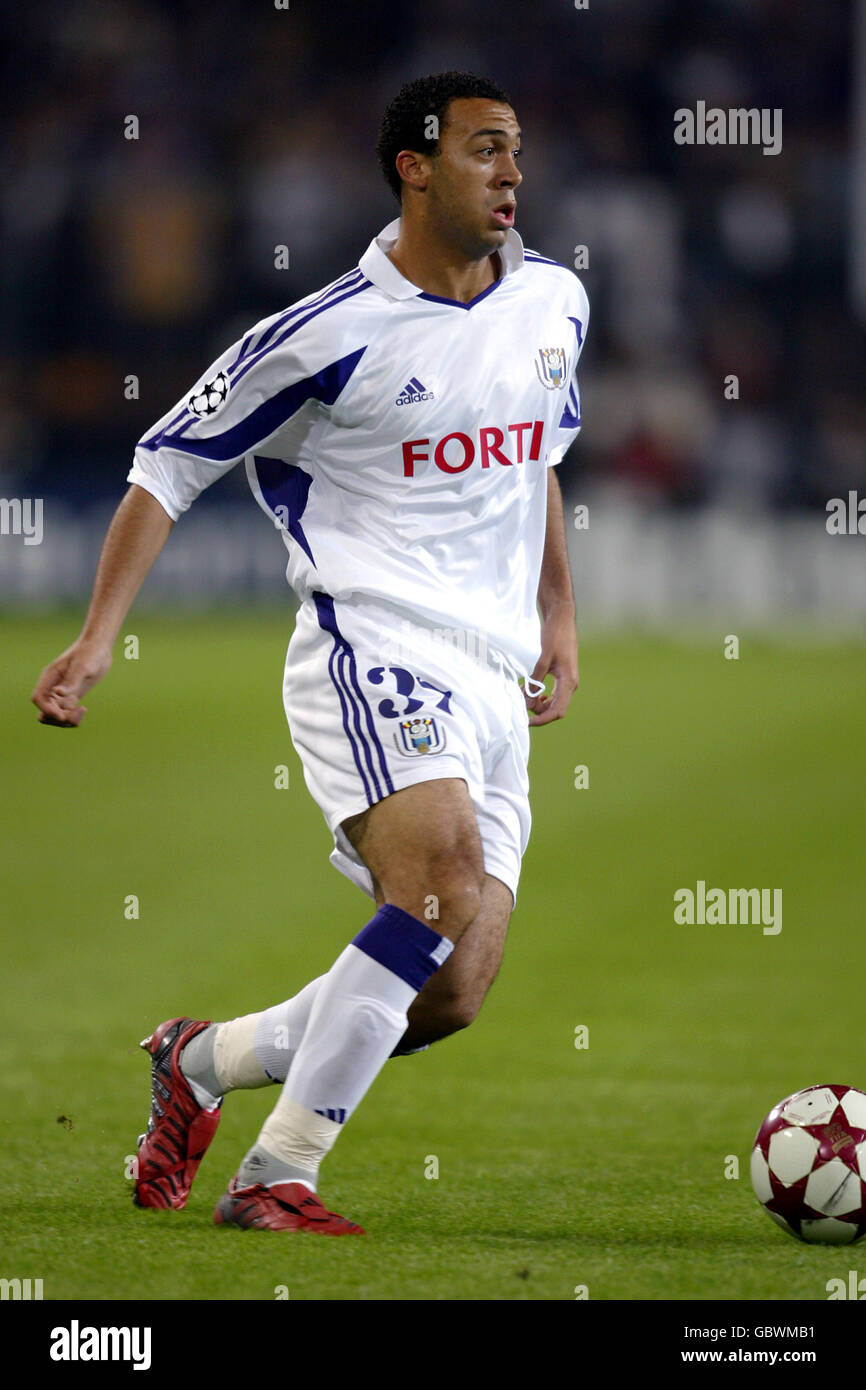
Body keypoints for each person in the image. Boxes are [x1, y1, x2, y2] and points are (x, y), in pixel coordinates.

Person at [31, 71, 588, 1235]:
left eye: (518, 151)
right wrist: (96, 640)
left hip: (490, 670)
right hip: (371, 642)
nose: (511, 173)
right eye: (486, 149)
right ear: (414, 164)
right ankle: (276, 1173)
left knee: (446, 990)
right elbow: (166, 462)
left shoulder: (553, 302)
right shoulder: (322, 333)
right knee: (433, 887)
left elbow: (537, 459)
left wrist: (557, 618)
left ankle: (202, 1060)